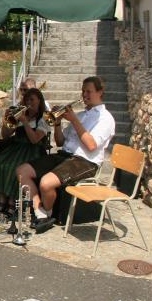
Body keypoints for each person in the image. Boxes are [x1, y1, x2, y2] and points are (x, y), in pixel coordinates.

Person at [16, 76, 115, 234]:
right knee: (22, 171)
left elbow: (91, 145)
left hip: (85, 161)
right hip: (65, 155)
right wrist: (57, 123)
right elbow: (60, 141)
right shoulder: (82, 115)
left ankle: (46, 213)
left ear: (100, 92)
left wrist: (74, 120)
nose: (84, 95)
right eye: (83, 91)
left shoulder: (105, 119)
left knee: (46, 183)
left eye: (89, 91)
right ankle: (40, 213)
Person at [0, 88, 50, 214]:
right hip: (15, 147)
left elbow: (34, 139)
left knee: (13, 167)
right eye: (26, 100)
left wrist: (25, 122)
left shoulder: (43, 118)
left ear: (39, 101)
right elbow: (5, 135)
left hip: (32, 150)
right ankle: (2, 199)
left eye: (32, 100)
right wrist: (7, 120)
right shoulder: (21, 114)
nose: (29, 103)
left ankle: (12, 201)